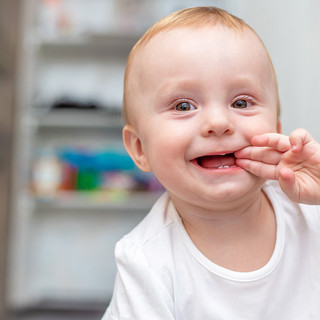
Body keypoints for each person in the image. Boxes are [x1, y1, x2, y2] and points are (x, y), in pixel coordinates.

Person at [102, 6, 320, 319]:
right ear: (139, 148)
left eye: (241, 102)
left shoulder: (310, 210)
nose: (218, 122)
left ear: (275, 130)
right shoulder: (146, 262)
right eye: (183, 105)